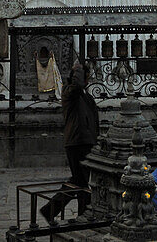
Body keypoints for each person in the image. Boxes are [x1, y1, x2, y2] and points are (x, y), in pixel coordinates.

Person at [40, 59, 99, 225]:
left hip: (88, 142)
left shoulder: (86, 96)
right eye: (86, 78)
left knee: (80, 180)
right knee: (81, 181)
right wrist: (78, 69)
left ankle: (58, 211)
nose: (88, 81)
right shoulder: (69, 92)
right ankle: (79, 213)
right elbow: (77, 85)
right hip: (76, 142)